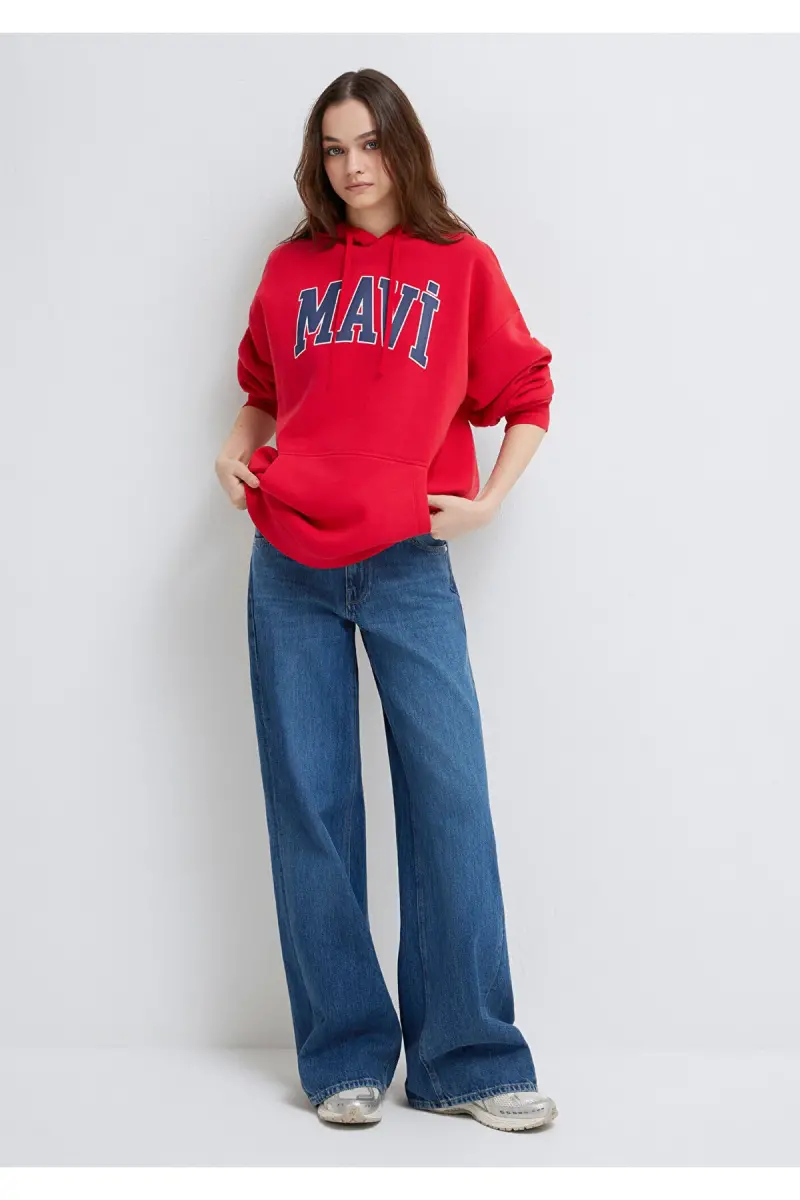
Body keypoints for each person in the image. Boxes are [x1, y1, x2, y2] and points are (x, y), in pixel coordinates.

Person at [214, 68, 559, 1134]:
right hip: (288, 561)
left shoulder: (461, 265)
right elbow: (262, 391)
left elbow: (526, 392)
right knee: (312, 805)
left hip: (409, 559)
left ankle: (468, 1059)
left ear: (402, 146)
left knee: (449, 799)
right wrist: (234, 451)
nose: (352, 167)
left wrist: (487, 502)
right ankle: (343, 1056)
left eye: (368, 144)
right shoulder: (291, 268)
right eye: (333, 148)